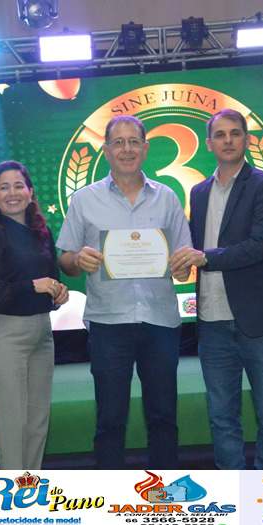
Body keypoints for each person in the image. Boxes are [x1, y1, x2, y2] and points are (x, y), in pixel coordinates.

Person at [56, 115, 192, 469]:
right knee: (110, 420)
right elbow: (65, 260)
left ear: (145, 148)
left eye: (134, 142)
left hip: (160, 321)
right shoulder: (84, 199)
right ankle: (110, 495)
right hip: (108, 323)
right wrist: (77, 259)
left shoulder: (167, 199)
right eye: (118, 142)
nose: (126, 149)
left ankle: (163, 495)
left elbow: (184, 259)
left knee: (163, 417)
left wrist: (182, 264)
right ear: (106, 150)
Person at [170, 109, 263, 469]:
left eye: (235, 133)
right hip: (212, 323)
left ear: (247, 140)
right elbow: (193, 246)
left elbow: (261, 245)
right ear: (209, 143)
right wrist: (178, 260)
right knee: (221, 418)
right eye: (220, 135)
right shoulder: (199, 192)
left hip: (259, 321)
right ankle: (234, 494)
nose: (228, 140)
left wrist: (205, 257)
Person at [0, 160, 68, 470]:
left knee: (37, 424)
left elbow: (50, 281)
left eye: (18, 185)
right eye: (4, 187)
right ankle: (12, 496)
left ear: (30, 192)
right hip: (4, 336)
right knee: (12, 425)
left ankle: (29, 488)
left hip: (42, 334)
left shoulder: (42, 234)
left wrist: (59, 294)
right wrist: (32, 286)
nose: (12, 193)